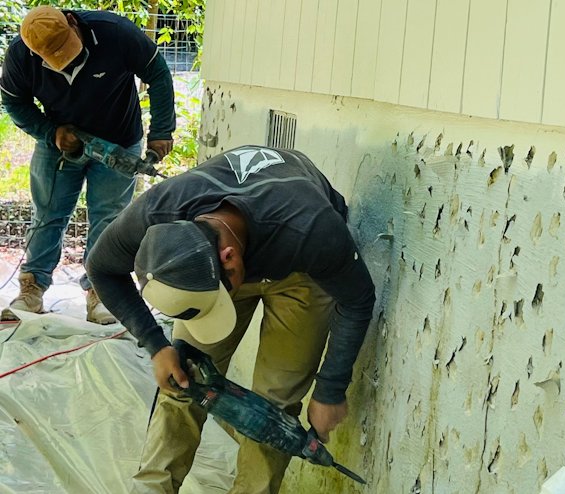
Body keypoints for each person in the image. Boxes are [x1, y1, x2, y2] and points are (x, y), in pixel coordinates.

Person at [85, 145, 376, 493]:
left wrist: (330, 390)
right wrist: (156, 345)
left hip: (302, 271)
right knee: (184, 378)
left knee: (275, 407)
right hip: (224, 259)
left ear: (229, 257)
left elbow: (358, 300)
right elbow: (100, 268)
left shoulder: (311, 228)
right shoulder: (157, 214)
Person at [0, 5, 175, 324]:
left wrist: (162, 130)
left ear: (71, 21)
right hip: (59, 145)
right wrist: (49, 132)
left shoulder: (114, 33)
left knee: (108, 217)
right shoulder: (20, 57)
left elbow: (157, 72)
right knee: (48, 214)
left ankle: (101, 291)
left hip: (118, 139)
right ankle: (32, 288)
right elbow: (13, 101)